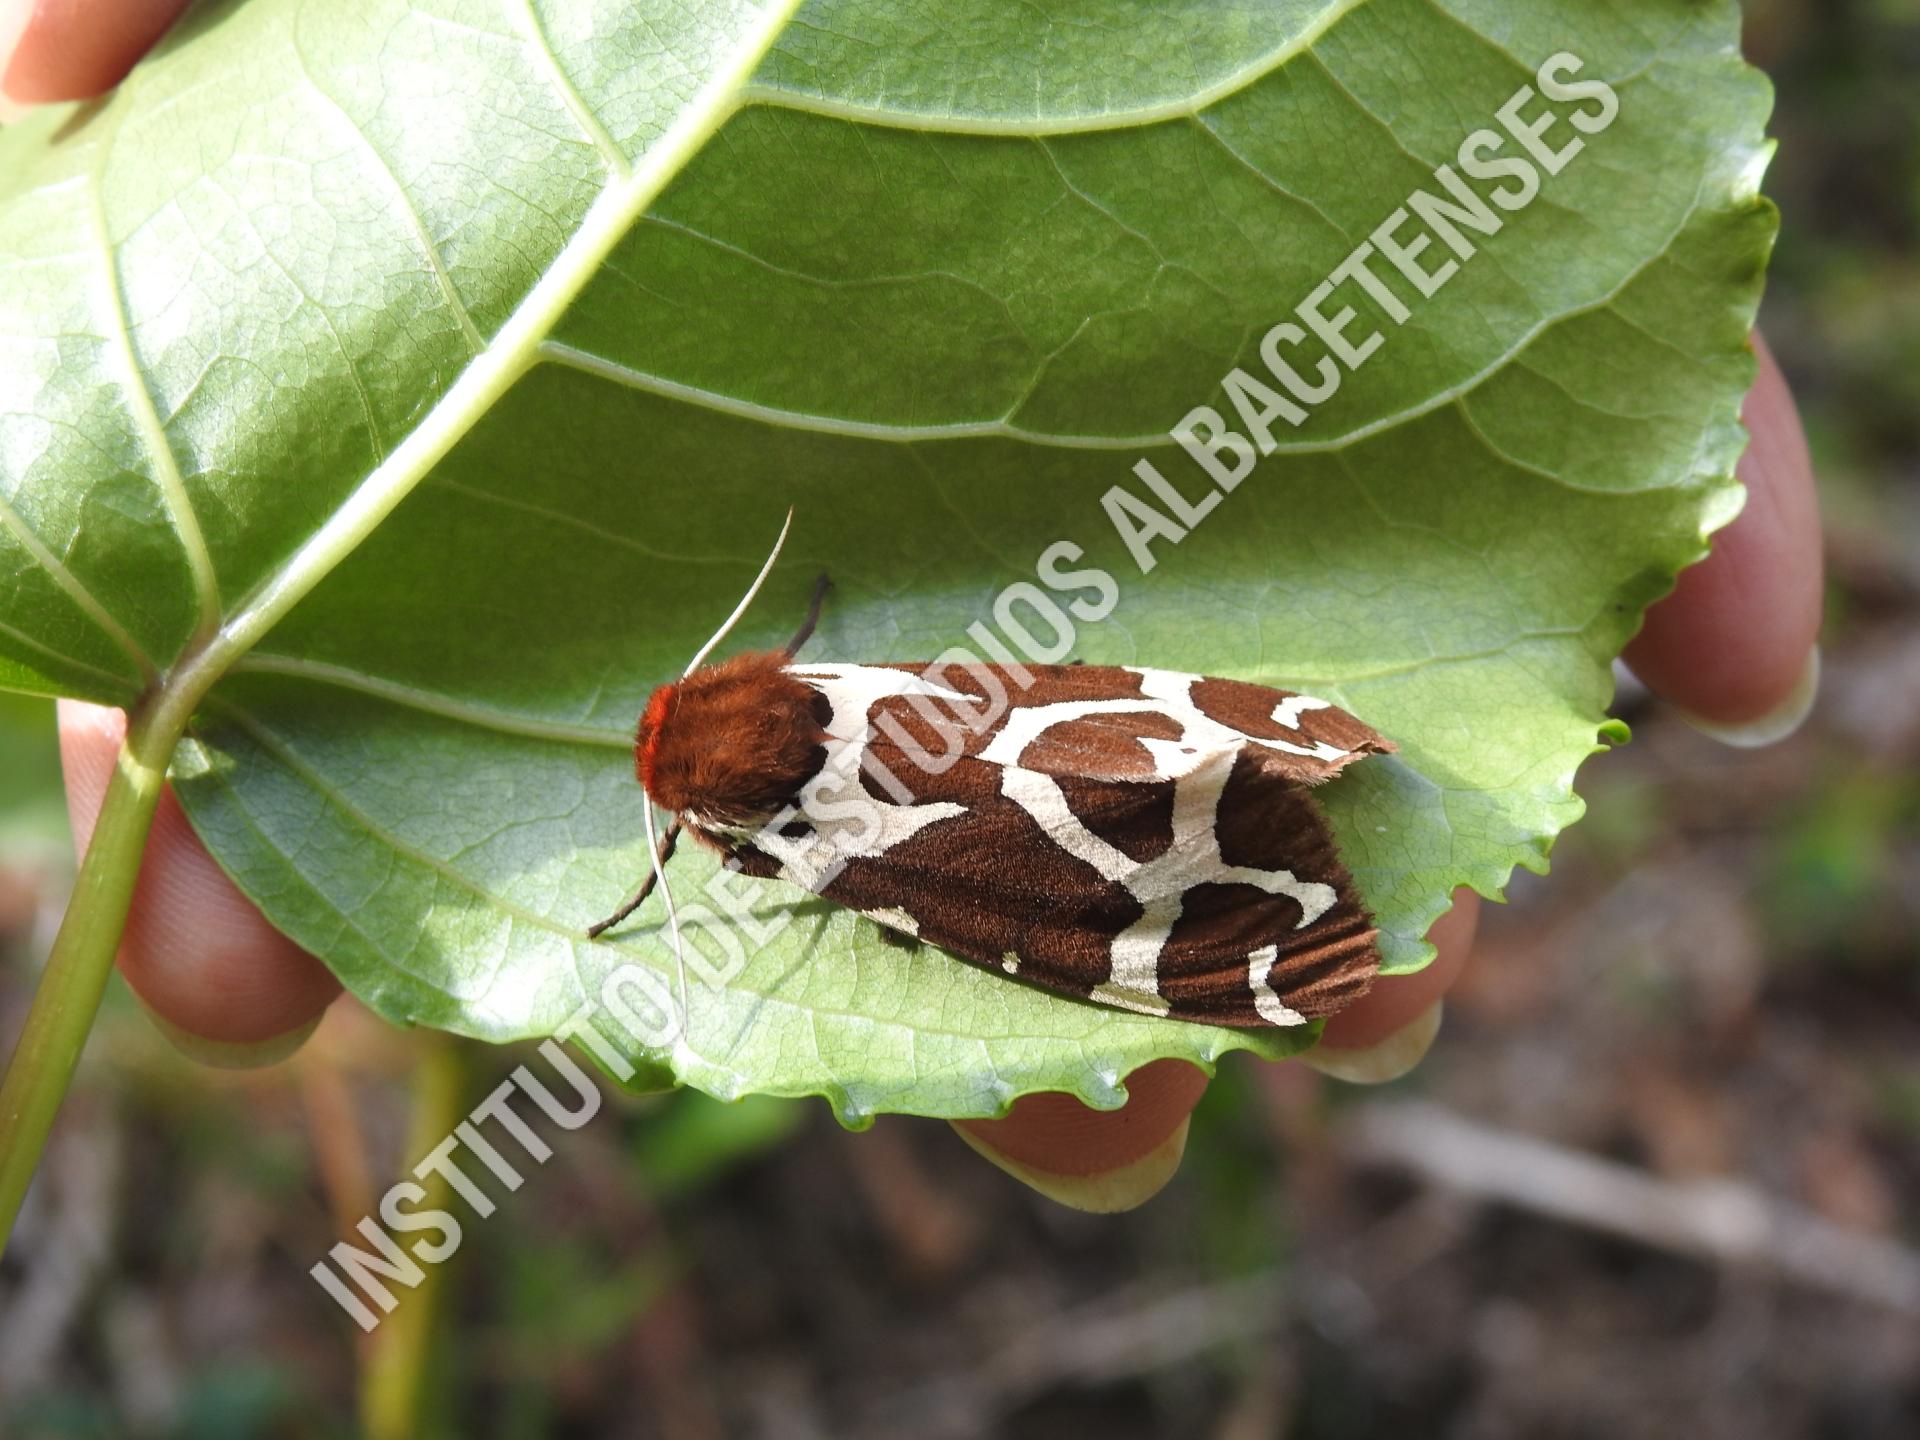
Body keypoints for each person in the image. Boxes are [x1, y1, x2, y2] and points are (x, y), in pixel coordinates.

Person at [10, 0, 1825, 1207]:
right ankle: (1274, 774)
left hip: (905, 830)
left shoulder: (789, 825)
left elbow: (908, 885)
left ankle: (1266, 892)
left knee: (999, 896)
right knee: (1062, 730)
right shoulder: (859, 694)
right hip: (959, 723)